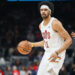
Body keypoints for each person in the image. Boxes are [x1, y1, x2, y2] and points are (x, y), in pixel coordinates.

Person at [28, 1, 72, 75]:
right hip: (47, 53)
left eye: (45, 10)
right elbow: (46, 41)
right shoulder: (41, 25)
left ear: (50, 11)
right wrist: (32, 44)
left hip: (58, 52)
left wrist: (57, 52)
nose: (43, 12)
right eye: (41, 10)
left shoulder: (55, 23)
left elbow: (69, 40)